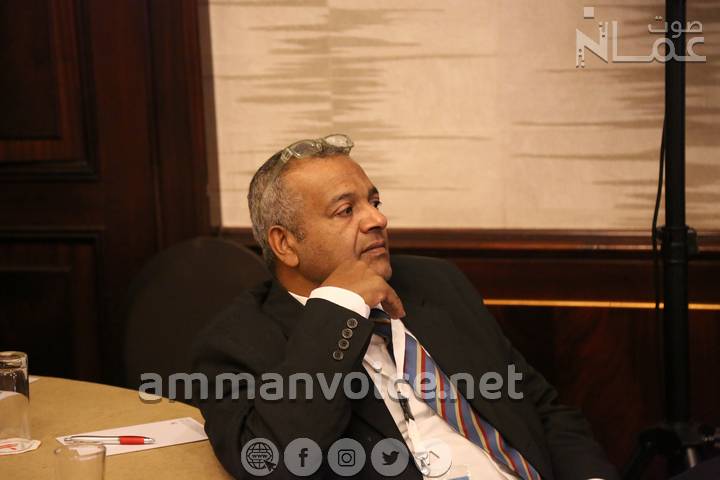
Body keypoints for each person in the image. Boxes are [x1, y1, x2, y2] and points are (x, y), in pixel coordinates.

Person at [192, 134, 620, 480]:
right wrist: (338, 306)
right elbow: (274, 463)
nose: (377, 220)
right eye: (346, 210)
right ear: (285, 244)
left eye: (374, 202)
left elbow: (539, 407)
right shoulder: (236, 343)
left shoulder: (437, 283)